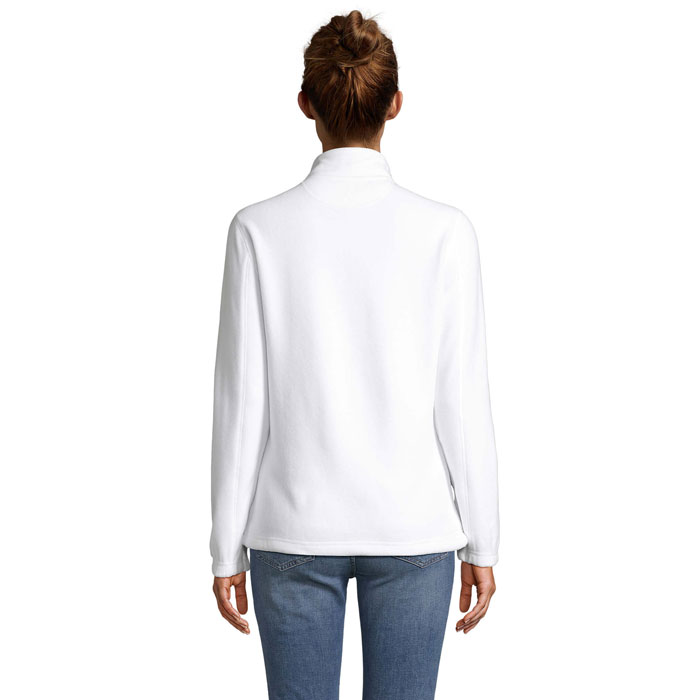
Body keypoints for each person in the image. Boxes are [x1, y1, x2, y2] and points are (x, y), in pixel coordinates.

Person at [210, 10, 500, 700]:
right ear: (394, 104)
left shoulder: (257, 230)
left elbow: (240, 404)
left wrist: (224, 547)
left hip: (291, 527)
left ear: (305, 104)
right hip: (412, 529)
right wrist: (483, 541)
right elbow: (461, 403)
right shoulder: (446, 232)